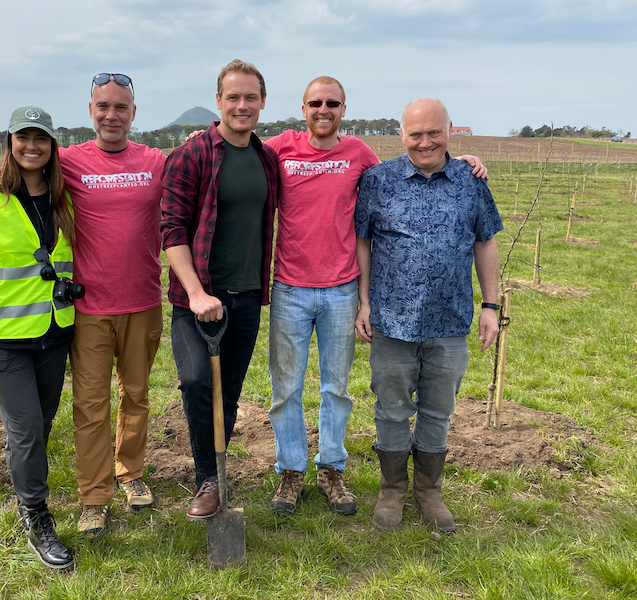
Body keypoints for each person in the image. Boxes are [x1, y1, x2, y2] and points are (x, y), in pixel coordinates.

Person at [264, 78, 489, 517]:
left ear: (343, 108)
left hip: (343, 288)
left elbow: (413, 164)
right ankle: (290, 471)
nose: (323, 109)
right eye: (315, 102)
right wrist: (206, 135)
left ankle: (331, 467)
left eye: (332, 103)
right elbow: (238, 148)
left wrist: (459, 161)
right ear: (303, 107)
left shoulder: (360, 155)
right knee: (285, 386)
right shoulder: (279, 149)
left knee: (338, 387)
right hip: (289, 286)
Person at [0, 73, 165, 538]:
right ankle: (94, 496)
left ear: (134, 113)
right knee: (91, 404)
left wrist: (202, 136)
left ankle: (131, 473)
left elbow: (194, 167)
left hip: (144, 300)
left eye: (121, 107)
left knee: (137, 395)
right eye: (103, 106)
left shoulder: (156, 161)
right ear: (90, 111)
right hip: (88, 308)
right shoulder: (65, 161)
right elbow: (19, 171)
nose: (111, 115)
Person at [354, 98, 503, 534]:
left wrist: (490, 306)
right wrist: (364, 302)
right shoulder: (377, 181)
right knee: (392, 409)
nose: (425, 142)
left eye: (433, 132)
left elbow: (485, 242)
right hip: (392, 321)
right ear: (402, 135)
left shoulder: (470, 181)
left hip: (450, 321)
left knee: (439, 411)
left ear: (449, 131)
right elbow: (362, 241)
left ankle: (429, 491)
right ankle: (393, 489)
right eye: (415, 134)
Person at [0, 106, 77, 570]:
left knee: (41, 425)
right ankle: (36, 514)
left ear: (51, 146)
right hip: (4, 340)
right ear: (9, 143)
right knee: (26, 430)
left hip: (54, 333)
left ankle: (28, 490)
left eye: (41, 138)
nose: (32, 146)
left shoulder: (64, 197)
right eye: (23, 138)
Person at [160, 59, 280, 520]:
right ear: (218, 102)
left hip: (247, 296)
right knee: (195, 383)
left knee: (226, 393)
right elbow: (171, 230)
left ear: (263, 102)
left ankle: (215, 478)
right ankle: (206, 478)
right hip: (197, 299)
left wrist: (462, 158)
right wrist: (194, 293)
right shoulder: (193, 154)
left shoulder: (267, 158)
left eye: (251, 97)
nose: (242, 105)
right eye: (233, 97)